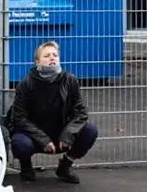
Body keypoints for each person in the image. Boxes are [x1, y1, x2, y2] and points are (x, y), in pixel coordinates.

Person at [7, 41, 97, 184]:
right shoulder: (25, 84)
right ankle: (26, 166)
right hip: (33, 136)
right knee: (20, 143)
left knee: (90, 131)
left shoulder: (70, 81)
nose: (52, 58)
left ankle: (65, 166)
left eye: (55, 55)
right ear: (37, 62)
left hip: (61, 134)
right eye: (47, 55)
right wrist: (43, 140)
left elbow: (80, 113)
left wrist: (68, 134)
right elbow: (19, 118)